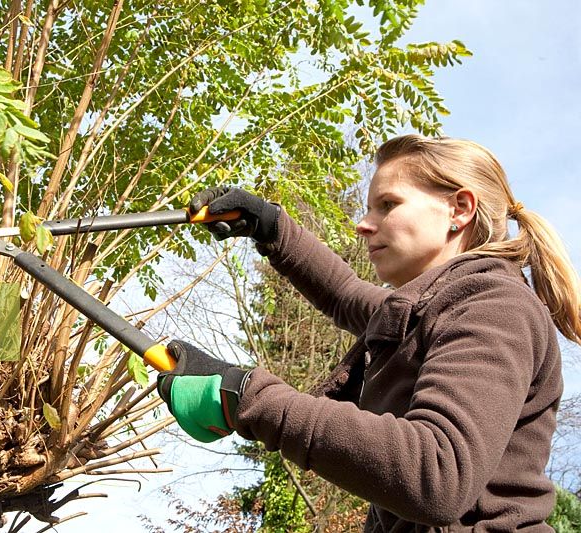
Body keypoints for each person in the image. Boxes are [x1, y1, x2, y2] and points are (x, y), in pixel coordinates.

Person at [157, 134, 581, 531]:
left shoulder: (493, 305)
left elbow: (437, 473)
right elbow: (343, 292)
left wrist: (245, 395)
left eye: (387, 205)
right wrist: (270, 227)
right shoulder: (430, 309)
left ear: (460, 209)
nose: (363, 224)